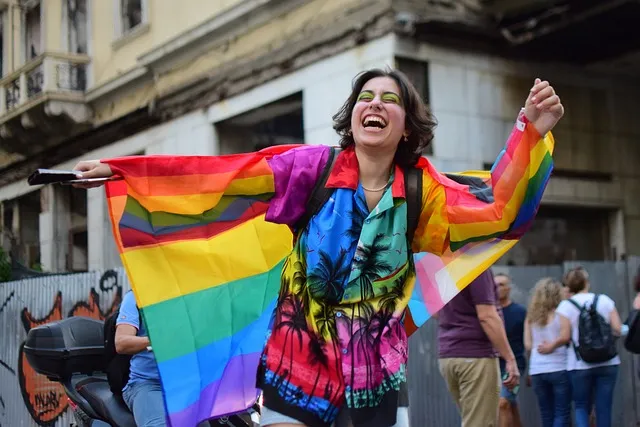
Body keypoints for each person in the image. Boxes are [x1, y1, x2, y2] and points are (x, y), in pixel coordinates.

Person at [72, 69, 564, 427]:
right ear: (352, 119)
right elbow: (223, 179)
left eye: (389, 99)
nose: (374, 103)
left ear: (407, 126)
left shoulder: (423, 192)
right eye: (365, 97)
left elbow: (497, 209)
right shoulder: (312, 171)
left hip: (376, 383)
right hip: (295, 373)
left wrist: (530, 132)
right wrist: (127, 173)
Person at [540, 267, 622, 427]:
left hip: (578, 364)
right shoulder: (604, 300)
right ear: (587, 283)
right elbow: (618, 329)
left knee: (581, 406)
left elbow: (564, 337)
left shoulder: (565, 306)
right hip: (608, 362)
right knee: (604, 408)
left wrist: (551, 346)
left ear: (568, 286)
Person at [438, 269, 519, 427]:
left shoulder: (444, 266)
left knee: (472, 420)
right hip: (475, 355)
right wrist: (509, 358)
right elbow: (487, 316)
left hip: (448, 355)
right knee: (480, 423)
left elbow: (434, 311)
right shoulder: (478, 266)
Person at [115, 290, 166, 427]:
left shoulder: (193, 295)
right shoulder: (136, 297)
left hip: (188, 383)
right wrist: (157, 340)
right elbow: (121, 343)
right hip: (149, 384)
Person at [524, 278, 571, 427]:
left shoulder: (530, 317)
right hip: (559, 367)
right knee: (561, 413)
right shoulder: (562, 313)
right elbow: (565, 337)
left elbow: (528, 345)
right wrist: (552, 345)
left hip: (537, 369)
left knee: (546, 414)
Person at [495, 273, 526, 427]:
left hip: (514, 366)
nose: (498, 288)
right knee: (511, 406)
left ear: (509, 288)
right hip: (493, 364)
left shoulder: (520, 312)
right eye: (495, 285)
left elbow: (527, 341)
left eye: (501, 284)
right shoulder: (489, 312)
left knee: (503, 403)